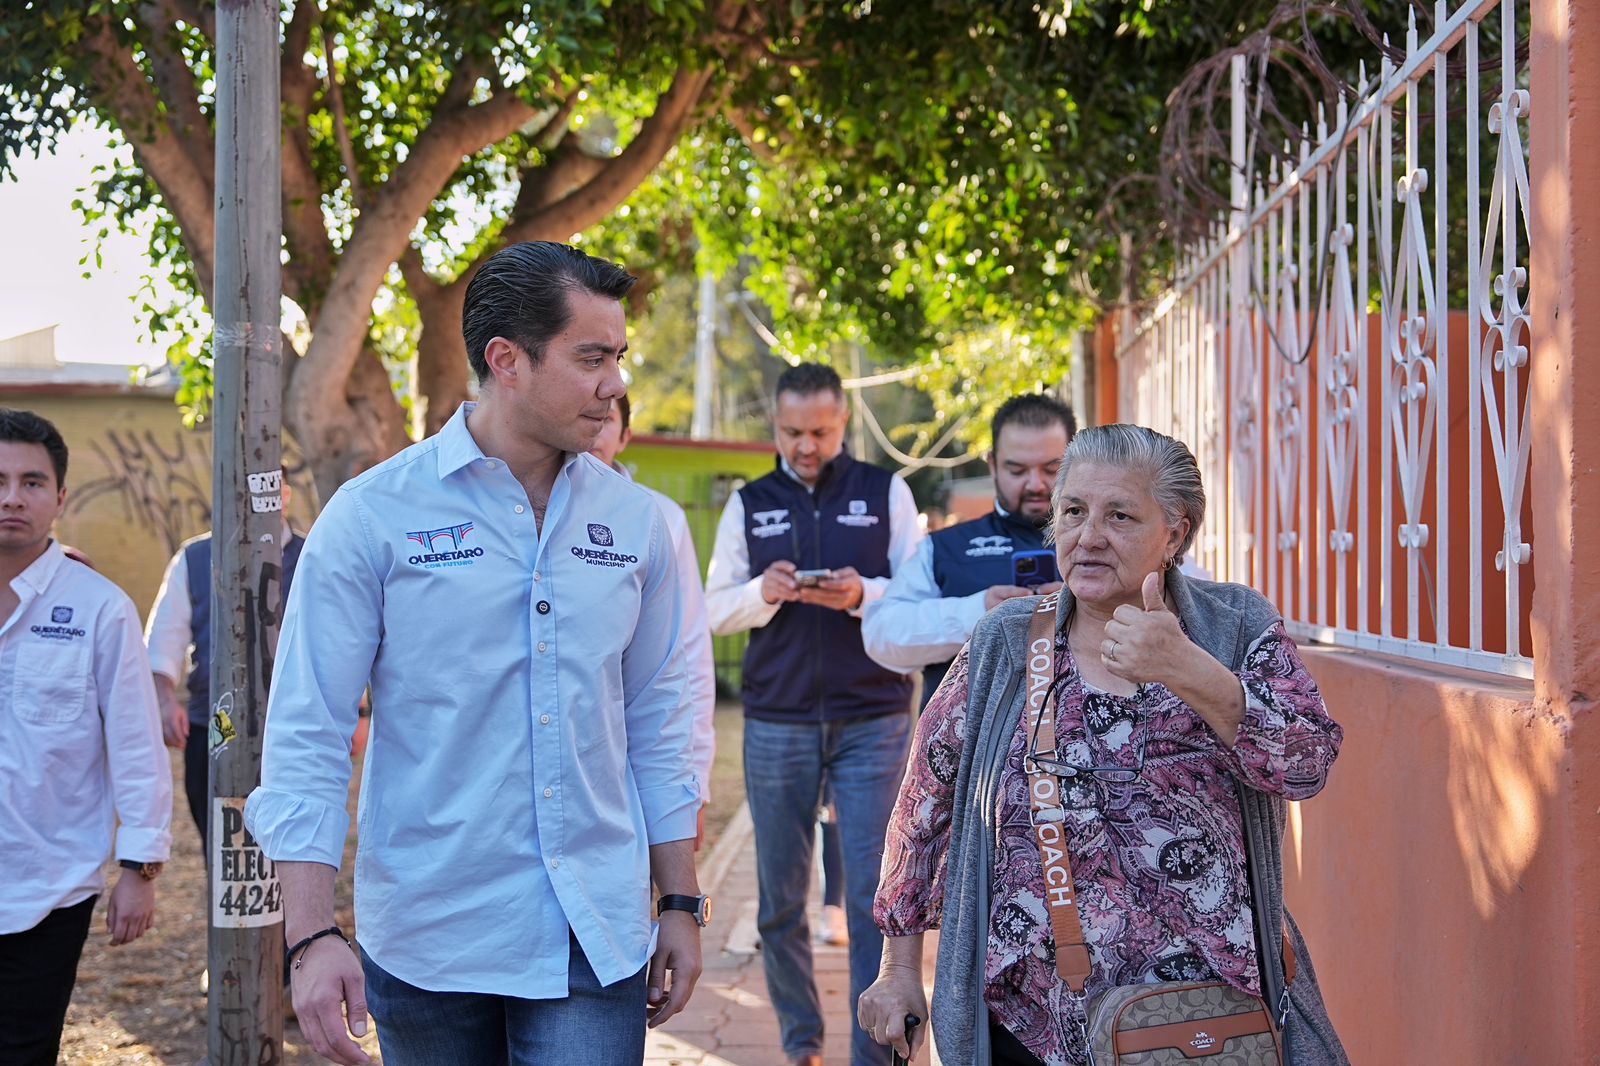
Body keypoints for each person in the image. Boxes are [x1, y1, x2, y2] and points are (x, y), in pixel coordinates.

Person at [244, 241, 705, 1066]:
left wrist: (680, 899)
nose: (616, 384)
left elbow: (661, 723)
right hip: (429, 937)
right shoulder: (373, 516)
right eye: (592, 357)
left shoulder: (641, 526)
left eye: (618, 357)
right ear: (508, 361)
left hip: (590, 933)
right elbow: (308, 732)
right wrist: (310, 935)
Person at [858, 424, 1348, 1066]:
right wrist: (898, 968)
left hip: (1202, 1024)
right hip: (1030, 1021)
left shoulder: (1234, 628)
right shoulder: (1004, 643)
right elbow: (927, 799)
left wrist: (1187, 668)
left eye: (1120, 515)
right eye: (1073, 512)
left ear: (1175, 532)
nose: (1088, 537)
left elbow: (1306, 762)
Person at [705, 362, 922, 1066]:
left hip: (874, 717)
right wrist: (762, 593)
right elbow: (713, 609)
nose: (806, 445)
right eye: (793, 432)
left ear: (843, 426)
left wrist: (865, 594)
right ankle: (801, 1043)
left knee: (870, 897)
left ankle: (873, 1051)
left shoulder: (885, 491)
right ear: (775, 425)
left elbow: (919, 597)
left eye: (821, 432)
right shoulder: (749, 502)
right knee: (777, 902)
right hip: (777, 719)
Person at [0, 408, 172, 1066]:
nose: (13, 497)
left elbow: (135, 743)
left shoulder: (100, 609)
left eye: (32, 482)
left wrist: (140, 866)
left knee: (23, 1048)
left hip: (52, 884)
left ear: (60, 497)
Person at [863, 393, 1075, 704]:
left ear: (1075, 462)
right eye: (1017, 471)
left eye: (1050, 469)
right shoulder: (944, 549)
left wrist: (1087, 615)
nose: (1035, 484)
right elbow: (881, 634)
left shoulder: (1111, 541)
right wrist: (978, 612)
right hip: (966, 746)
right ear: (992, 465)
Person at [146, 484, 307, 846]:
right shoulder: (195, 557)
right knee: (222, 842)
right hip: (215, 725)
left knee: (292, 844)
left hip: (294, 728)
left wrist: (358, 713)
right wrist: (165, 701)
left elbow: (337, 637)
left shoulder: (311, 555)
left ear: (285, 494)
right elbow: (163, 640)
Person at [588, 393, 716, 848]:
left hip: (638, 759)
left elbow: (690, 655)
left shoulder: (660, 517)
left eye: (606, 420)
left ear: (625, 436)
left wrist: (694, 784)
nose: (593, 431)